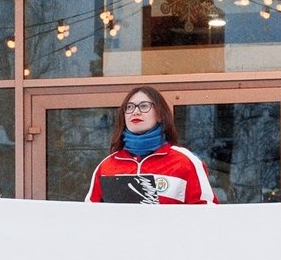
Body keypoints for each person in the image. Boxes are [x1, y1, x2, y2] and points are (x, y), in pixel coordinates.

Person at [85, 86, 219, 205]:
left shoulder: (185, 162)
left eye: (144, 106)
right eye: (129, 107)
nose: (135, 112)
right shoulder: (106, 166)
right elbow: (90, 218)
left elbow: (207, 216)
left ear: (160, 114)